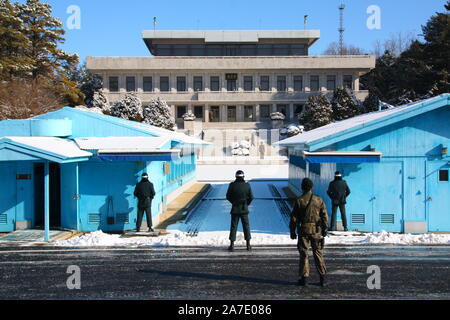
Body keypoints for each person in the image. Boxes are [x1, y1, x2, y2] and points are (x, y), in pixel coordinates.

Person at [290, 178, 328, 287]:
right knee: (318, 253)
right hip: (316, 231)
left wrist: (292, 231)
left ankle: (304, 278)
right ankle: (322, 278)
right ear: (312, 187)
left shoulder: (299, 200)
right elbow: (324, 215)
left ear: (302, 188)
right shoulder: (318, 200)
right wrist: (325, 229)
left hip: (303, 231)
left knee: (304, 254)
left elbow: (294, 218)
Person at [226, 170, 254, 252]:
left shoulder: (232, 185)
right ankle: (248, 245)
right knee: (246, 226)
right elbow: (251, 197)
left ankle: (232, 245)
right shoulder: (247, 185)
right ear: (243, 177)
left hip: (235, 209)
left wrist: (234, 202)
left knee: (233, 226)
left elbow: (228, 196)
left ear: (236, 176)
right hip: (244, 209)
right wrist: (246, 204)